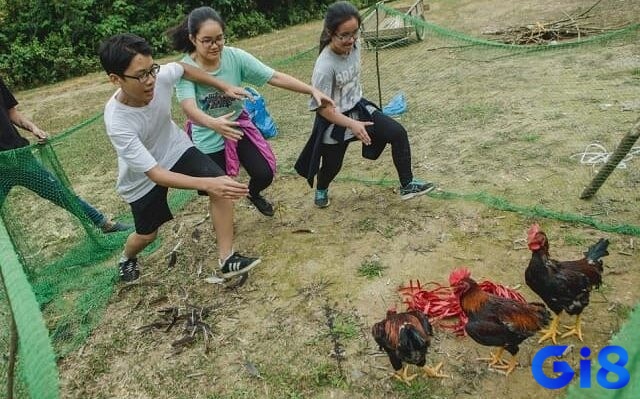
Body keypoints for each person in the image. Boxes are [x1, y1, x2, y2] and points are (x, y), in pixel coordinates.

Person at [98, 33, 261, 282]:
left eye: (152, 70)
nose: (151, 80)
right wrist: (207, 184)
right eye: (141, 75)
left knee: (221, 185)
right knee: (147, 235)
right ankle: (126, 258)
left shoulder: (158, 76)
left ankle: (227, 259)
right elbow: (155, 173)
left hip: (176, 148)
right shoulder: (117, 122)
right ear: (115, 79)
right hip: (142, 178)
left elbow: (183, 68)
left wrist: (224, 86)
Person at [167, 6, 335, 217]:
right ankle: (226, 233)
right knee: (220, 191)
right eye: (207, 40)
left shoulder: (235, 57)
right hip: (208, 135)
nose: (215, 45)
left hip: (237, 126)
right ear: (193, 39)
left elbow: (274, 76)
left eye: (219, 38)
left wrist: (311, 90)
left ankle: (253, 194)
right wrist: (213, 123)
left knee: (264, 173)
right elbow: (189, 108)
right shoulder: (186, 69)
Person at [295, 1, 436, 208]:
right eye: (344, 35)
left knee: (397, 133)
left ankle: (407, 184)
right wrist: (351, 125)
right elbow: (324, 110)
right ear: (330, 32)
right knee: (333, 166)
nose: (351, 40)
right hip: (335, 120)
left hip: (359, 108)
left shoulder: (356, 44)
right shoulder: (324, 67)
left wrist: (358, 115)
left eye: (355, 33)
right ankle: (322, 188)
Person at [0, 77, 130, 234]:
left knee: (60, 193)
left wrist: (33, 128)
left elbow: (11, 112)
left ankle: (104, 223)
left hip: (20, 157)